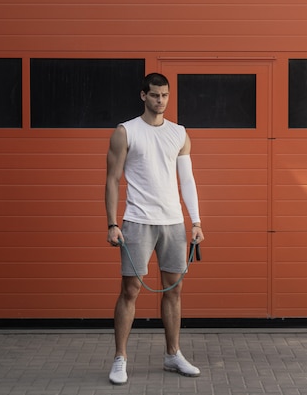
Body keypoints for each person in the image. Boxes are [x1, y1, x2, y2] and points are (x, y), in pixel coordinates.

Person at [105, 72, 205, 385]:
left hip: (173, 222)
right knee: (130, 291)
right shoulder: (126, 132)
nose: (160, 100)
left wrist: (196, 220)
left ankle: (172, 354)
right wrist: (112, 223)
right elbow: (112, 179)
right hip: (137, 220)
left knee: (174, 290)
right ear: (143, 96)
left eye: (164, 95)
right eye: (154, 95)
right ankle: (120, 359)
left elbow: (186, 180)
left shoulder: (179, 133)